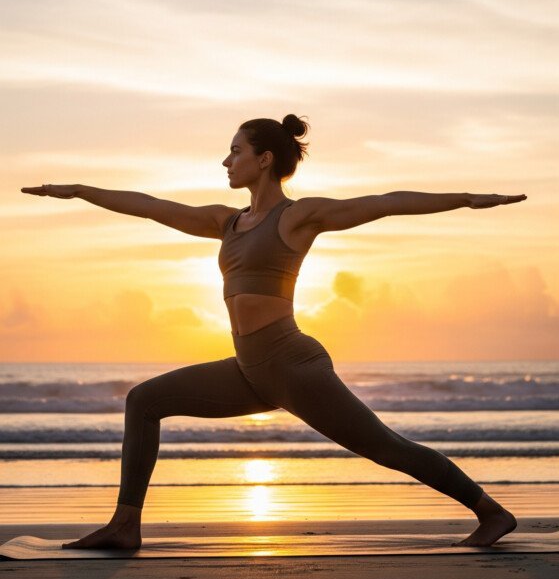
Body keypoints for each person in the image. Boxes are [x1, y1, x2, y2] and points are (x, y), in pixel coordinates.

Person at [21, 113, 527, 551]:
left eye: (235, 151)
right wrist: (81, 191)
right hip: (249, 368)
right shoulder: (227, 222)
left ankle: (491, 512)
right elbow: (152, 206)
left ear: (263, 160)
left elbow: (385, 201)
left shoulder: (297, 216)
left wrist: (466, 198)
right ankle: (125, 525)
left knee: (388, 449)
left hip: (292, 365)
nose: (226, 161)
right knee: (144, 399)